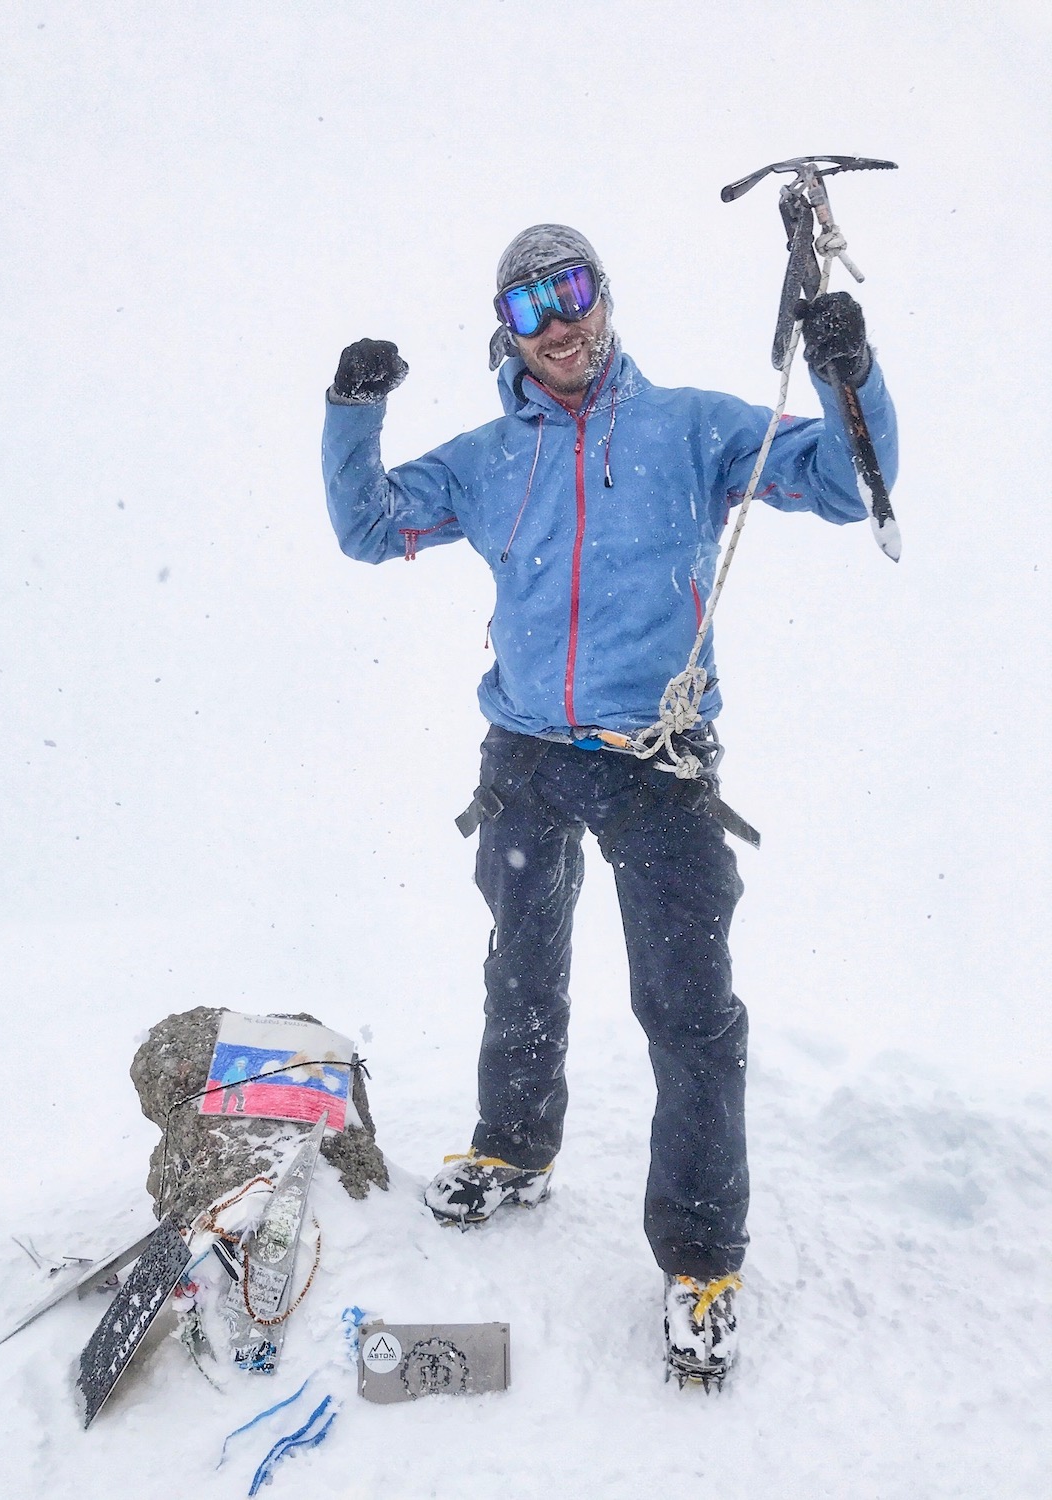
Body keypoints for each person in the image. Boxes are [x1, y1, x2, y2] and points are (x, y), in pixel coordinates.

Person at [321, 224, 898, 1384]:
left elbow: (844, 484)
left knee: (689, 1011)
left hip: (660, 761)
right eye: (531, 308)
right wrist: (352, 411)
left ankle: (699, 1259)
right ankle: (514, 1148)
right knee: (521, 966)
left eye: (572, 292)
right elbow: (370, 526)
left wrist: (851, 371)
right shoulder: (488, 458)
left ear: (605, 297)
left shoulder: (689, 428)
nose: (561, 323)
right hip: (527, 754)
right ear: (507, 331)